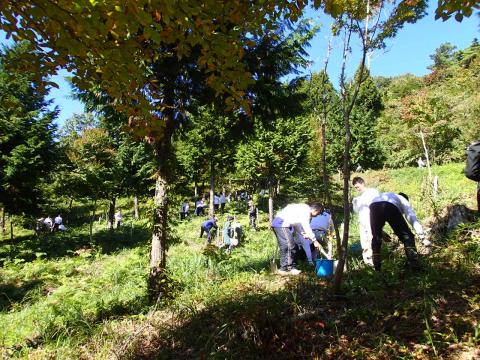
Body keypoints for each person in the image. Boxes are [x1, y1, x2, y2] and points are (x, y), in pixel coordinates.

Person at [369, 192, 429, 272]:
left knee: (376, 239)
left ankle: (377, 270)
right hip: (389, 206)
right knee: (408, 237)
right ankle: (416, 268)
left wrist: (381, 232)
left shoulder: (387, 196)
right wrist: (423, 237)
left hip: (373, 206)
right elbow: (411, 217)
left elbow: (374, 223)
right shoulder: (403, 199)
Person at [271, 203, 323, 276]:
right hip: (281, 224)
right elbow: (306, 226)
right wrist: (314, 240)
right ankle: (289, 268)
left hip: (281, 224)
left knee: (286, 246)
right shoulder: (306, 212)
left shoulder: (303, 209)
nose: (317, 216)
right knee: (289, 246)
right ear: (315, 210)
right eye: (318, 213)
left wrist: (302, 233)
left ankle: (284, 268)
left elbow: (296, 224)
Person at [352, 177, 380, 266]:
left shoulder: (372, 192)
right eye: (355, 188)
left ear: (363, 183)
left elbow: (377, 204)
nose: (357, 189)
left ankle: (375, 261)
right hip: (362, 222)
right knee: (364, 242)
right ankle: (368, 263)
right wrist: (354, 203)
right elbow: (357, 211)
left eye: (358, 187)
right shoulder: (359, 198)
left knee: (372, 239)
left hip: (371, 220)